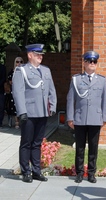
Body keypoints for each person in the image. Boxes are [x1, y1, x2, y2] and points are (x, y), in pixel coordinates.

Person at [12, 44, 57, 183]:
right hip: (29, 112)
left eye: (41, 54)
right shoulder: (22, 71)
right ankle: (26, 171)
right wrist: (22, 112)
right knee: (26, 142)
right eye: (37, 54)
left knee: (37, 143)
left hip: (42, 111)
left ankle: (36, 170)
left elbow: (51, 90)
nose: (40, 57)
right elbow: (18, 92)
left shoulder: (46, 70)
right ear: (30, 55)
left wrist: (53, 106)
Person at [66, 50, 106, 184]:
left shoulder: (102, 80)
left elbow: (105, 100)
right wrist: (70, 117)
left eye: (94, 62)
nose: (92, 64)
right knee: (80, 148)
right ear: (84, 63)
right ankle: (79, 173)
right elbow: (70, 99)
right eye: (89, 61)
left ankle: (91, 173)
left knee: (93, 147)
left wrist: (104, 117)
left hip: (95, 119)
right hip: (79, 118)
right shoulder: (76, 79)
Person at [6, 57, 24, 129]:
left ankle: (21, 121)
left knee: (21, 106)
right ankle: (16, 122)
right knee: (14, 106)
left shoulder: (25, 72)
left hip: (22, 91)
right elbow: (11, 82)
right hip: (14, 91)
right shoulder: (12, 72)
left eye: (21, 62)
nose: (19, 63)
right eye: (17, 62)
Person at [0, 63, 6, 128]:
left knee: (1, 107)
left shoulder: (2, 67)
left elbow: (3, 78)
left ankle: (0, 122)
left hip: (0, 91)